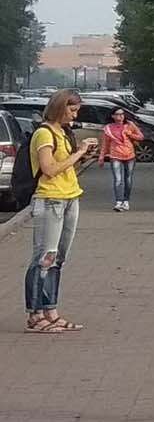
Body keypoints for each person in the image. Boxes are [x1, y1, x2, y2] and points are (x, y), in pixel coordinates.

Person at [23, 90, 95, 333]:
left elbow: (66, 167)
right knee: (45, 257)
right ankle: (35, 314)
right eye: (72, 110)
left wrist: (83, 157)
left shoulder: (63, 132)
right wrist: (79, 152)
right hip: (50, 199)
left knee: (58, 259)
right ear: (59, 107)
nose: (75, 115)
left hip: (70, 196)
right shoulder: (44, 133)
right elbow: (49, 169)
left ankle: (50, 309)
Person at [99, 107, 140, 212]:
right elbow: (105, 143)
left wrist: (130, 134)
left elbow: (141, 137)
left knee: (128, 178)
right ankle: (118, 201)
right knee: (118, 179)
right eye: (117, 114)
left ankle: (126, 201)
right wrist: (102, 156)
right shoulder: (108, 128)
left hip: (129, 155)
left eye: (122, 114)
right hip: (115, 155)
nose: (120, 116)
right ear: (113, 116)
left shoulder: (129, 125)